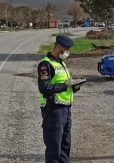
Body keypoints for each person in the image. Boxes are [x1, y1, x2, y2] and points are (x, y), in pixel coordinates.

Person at [37, 35, 86, 163]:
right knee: (54, 148)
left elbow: (63, 85)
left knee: (65, 145)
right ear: (59, 47)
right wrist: (65, 85)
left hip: (65, 109)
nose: (68, 52)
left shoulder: (61, 63)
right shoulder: (45, 65)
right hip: (53, 110)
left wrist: (74, 86)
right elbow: (44, 88)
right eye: (66, 49)